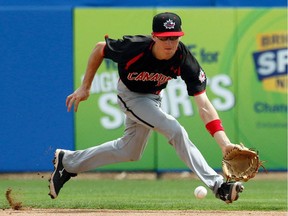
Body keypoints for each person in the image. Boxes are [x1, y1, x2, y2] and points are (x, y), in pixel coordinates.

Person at [48, 12, 244, 203]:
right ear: (154, 37)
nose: (169, 44)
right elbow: (100, 49)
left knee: (130, 151)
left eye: (174, 38)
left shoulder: (184, 59)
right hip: (130, 95)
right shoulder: (135, 48)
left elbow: (204, 105)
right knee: (175, 130)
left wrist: (224, 143)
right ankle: (219, 185)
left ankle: (68, 162)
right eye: (164, 38)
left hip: (152, 98)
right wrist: (85, 87)